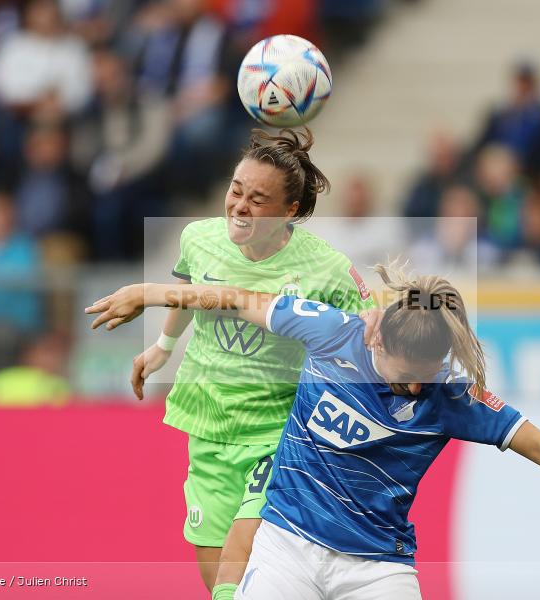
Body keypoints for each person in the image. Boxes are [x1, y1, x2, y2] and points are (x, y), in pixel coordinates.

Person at [86, 264, 540, 600]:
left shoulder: (449, 394)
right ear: (376, 338)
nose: (416, 391)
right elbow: (231, 297)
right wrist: (148, 294)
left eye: (426, 379)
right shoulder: (332, 332)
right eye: (405, 376)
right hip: (287, 539)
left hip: (376, 566)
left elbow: (534, 439)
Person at [127, 128, 376, 600]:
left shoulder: (328, 269)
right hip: (208, 420)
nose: (239, 206)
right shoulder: (199, 238)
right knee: (216, 575)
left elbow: (367, 336)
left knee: (240, 563)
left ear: (290, 212)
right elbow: (186, 287)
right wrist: (163, 345)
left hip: (278, 431)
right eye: (236, 190)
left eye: (257, 200)